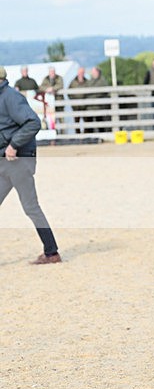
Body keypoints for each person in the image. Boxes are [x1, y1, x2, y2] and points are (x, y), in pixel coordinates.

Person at [0, 66, 61, 264]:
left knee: (31, 207)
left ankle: (51, 253)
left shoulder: (10, 97)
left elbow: (33, 122)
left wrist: (14, 145)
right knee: (31, 207)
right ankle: (52, 253)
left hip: (18, 161)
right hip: (5, 162)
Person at [84, 67, 109, 133]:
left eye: (94, 72)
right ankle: (90, 137)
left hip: (99, 106)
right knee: (89, 123)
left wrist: (92, 94)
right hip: (90, 106)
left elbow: (103, 90)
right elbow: (87, 89)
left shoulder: (102, 80)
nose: (93, 73)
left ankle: (102, 136)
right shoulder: (90, 80)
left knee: (100, 122)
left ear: (98, 72)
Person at [68, 66, 88, 134]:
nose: (81, 74)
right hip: (76, 106)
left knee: (86, 121)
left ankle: (86, 135)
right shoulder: (73, 82)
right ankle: (78, 135)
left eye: (82, 72)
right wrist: (73, 101)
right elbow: (69, 92)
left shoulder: (87, 81)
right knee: (76, 121)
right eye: (80, 72)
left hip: (85, 106)